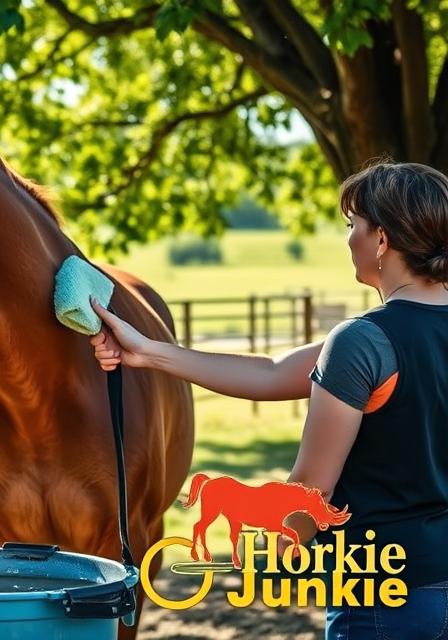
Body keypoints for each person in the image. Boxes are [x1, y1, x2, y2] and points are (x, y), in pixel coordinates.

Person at [90, 161, 448, 639]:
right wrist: (149, 352)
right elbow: (273, 372)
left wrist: (276, 554)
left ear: (381, 240)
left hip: (382, 593)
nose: (348, 239)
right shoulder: (368, 343)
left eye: (352, 225)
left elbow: (310, 491)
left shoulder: (364, 342)